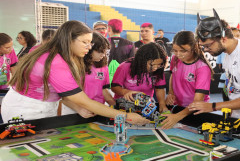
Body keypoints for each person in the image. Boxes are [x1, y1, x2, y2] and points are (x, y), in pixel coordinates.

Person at [1, 20, 149, 126]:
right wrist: (126, 116)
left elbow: (63, 94)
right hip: (26, 110)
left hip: (38, 107)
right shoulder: (55, 61)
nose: (88, 47)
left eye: (90, 43)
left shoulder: (60, 56)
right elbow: (83, 100)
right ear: (68, 40)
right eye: (85, 42)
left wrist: (78, 108)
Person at [161, 31, 213, 129]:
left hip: (196, 112)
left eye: (183, 51)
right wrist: (171, 93)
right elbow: (173, 75)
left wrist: (177, 117)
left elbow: (197, 102)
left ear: (194, 48)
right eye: (175, 50)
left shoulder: (202, 68)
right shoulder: (175, 59)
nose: (178, 54)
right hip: (178, 108)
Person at [61, 32, 116, 115]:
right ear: (89, 49)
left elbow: (103, 89)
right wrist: (79, 109)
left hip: (97, 110)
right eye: (100, 51)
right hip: (75, 111)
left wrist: (115, 106)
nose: (103, 55)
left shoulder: (103, 66)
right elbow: (65, 97)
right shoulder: (73, 65)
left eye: (105, 52)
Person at [111, 42, 168, 112]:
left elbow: (159, 89)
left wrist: (162, 104)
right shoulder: (125, 67)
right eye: (152, 65)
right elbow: (114, 87)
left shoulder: (158, 70)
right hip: (124, 106)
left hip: (145, 106)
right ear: (142, 60)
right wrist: (125, 92)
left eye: (159, 64)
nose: (155, 68)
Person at [107, 19, 135, 83]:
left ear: (109, 28)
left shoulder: (103, 42)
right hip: (122, 80)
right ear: (121, 29)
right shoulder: (130, 44)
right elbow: (132, 63)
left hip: (105, 79)